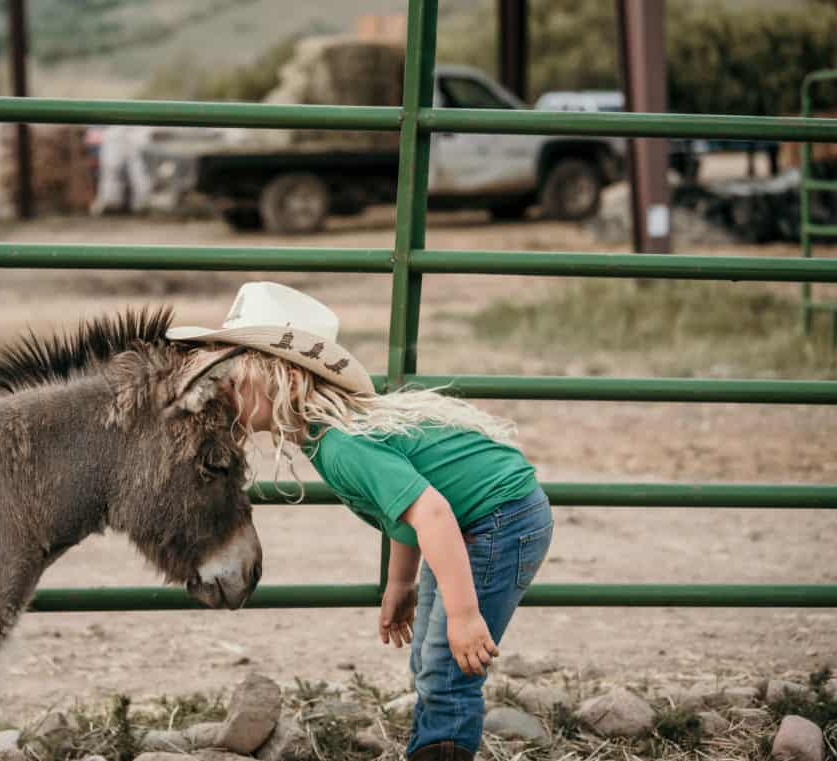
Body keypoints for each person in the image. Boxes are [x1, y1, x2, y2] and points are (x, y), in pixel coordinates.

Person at [168, 282, 554, 761]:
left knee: (449, 668)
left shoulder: (340, 445)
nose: (221, 398)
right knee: (430, 661)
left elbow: (431, 512)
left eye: (233, 383)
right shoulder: (323, 438)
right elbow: (407, 509)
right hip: (475, 519)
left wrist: (465, 615)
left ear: (280, 377)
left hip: (500, 520)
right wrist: (401, 584)